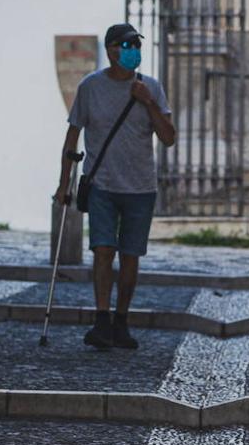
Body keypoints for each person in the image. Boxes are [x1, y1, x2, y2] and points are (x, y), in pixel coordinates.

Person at [55, 24, 176, 350]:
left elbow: (168, 137)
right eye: (126, 44)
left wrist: (149, 103)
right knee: (103, 251)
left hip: (140, 186)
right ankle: (102, 319)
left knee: (131, 255)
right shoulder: (90, 87)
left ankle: (122, 321)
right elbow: (72, 136)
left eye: (136, 44)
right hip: (103, 184)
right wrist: (63, 183)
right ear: (110, 50)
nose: (133, 49)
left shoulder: (151, 87)